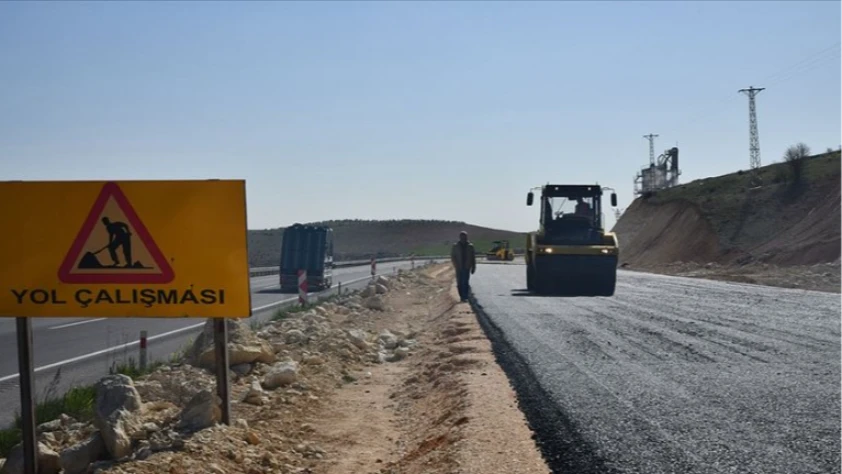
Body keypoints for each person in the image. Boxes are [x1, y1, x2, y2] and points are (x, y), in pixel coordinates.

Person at [450, 231, 476, 302]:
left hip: (466, 267)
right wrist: (456, 265)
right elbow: (453, 256)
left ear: (467, 237)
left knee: (465, 282)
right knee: (459, 282)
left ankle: (465, 297)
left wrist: (473, 267)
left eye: (465, 236)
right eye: (462, 236)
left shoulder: (470, 246)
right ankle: (461, 295)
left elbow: (473, 257)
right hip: (459, 267)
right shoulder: (455, 246)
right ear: (460, 237)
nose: (463, 238)